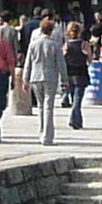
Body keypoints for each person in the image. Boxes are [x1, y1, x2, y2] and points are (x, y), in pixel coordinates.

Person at [25, 15, 69, 145]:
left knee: (40, 106)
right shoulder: (55, 45)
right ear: (51, 31)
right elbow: (61, 64)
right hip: (50, 77)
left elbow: (28, 62)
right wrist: (64, 79)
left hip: (35, 76)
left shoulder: (33, 44)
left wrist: (25, 80)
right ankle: (47, 136)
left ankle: (41, 131)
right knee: (49, 106)